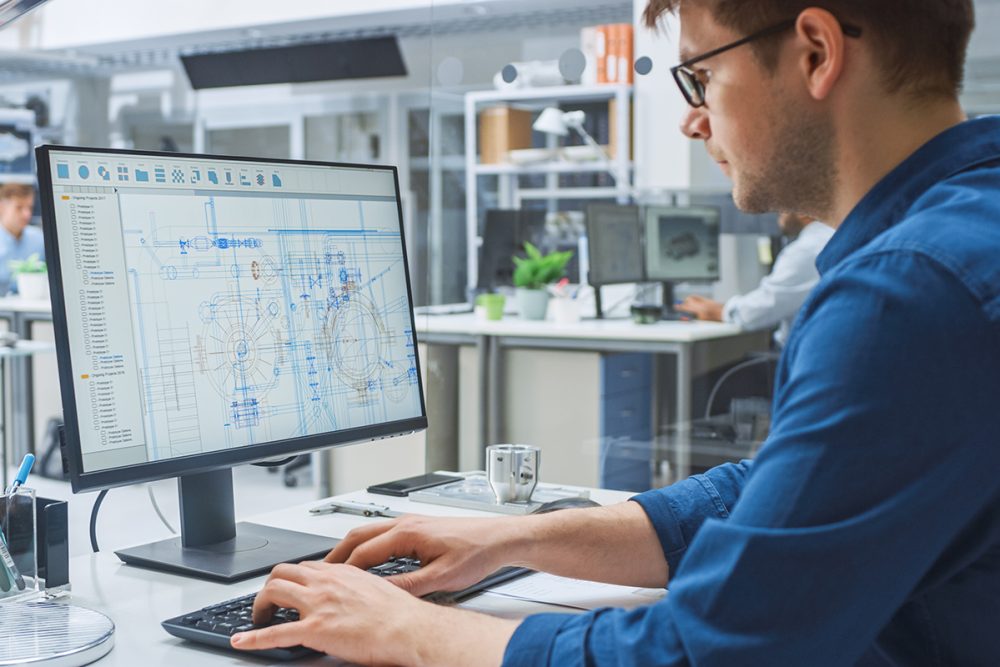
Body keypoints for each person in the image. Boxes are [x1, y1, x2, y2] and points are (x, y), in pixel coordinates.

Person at [232, 1, 1000, 665]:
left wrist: (415, 630)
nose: (692, 117)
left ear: (816, 52)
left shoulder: (908, 295)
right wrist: (512, 539)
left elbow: (714, 650)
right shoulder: (967, 223)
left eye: (701, 76)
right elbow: (781, 494)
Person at [676, 212, 834, 346]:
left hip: (799, 358)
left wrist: (718, 311)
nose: (778, 212)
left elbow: (762, 309)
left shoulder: (805, 249)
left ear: (802, 211)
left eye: (784, 206)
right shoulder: (829, 237)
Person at [0, 183, 44, 294]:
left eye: (29, 207)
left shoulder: (39, 239)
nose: (27, 214)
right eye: (19, 207)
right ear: (2, 208)